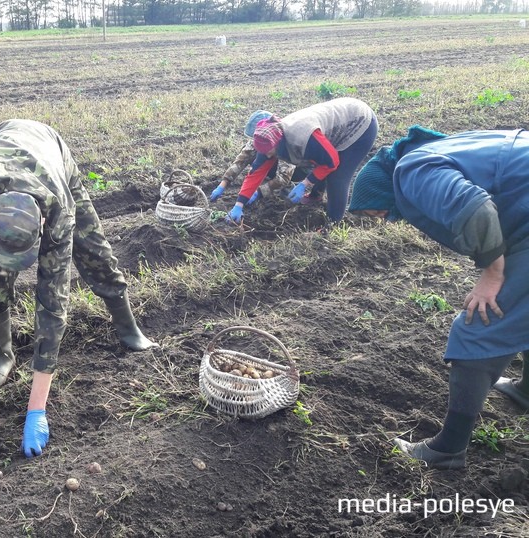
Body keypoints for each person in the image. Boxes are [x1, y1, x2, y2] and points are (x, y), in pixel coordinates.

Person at [0, 119, 158, 458]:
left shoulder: (57, 211)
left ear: (43, 226)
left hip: (51, 155)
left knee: (95, 253)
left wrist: (36, 410)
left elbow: (52, 308)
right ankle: (2, 355)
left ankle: (127, 326)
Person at [348, 125, 529, 470]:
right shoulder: (448, 147)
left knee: (479, 326)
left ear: (382, 189)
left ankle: (446, 450)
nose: (382, 218)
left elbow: (476, 208)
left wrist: (493, 273)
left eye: (375, 211)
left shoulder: (410, 170)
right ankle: (526, 390)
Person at [226, 97, 378, 225]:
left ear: (277, 143)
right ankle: (315, 196)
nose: (266, 156)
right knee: (320, 159)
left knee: (337, 177)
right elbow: (255, 173)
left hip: (360, 123)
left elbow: (331, 161)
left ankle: (333, 223)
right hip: (330, 131)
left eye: (268, 152)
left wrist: (305, 183)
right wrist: (239, 204)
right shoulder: (268, 138)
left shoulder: (303, 137)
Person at [210, 110, 300, 206]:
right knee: (254, 156)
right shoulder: (257, 141)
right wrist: (223, 184)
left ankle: (288, 187)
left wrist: (258, 192)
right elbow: (241, 160)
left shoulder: (285, 143)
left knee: (284, 177)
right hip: (274, 163)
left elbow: (283, 177)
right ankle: (269, 179)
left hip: (299, 169)